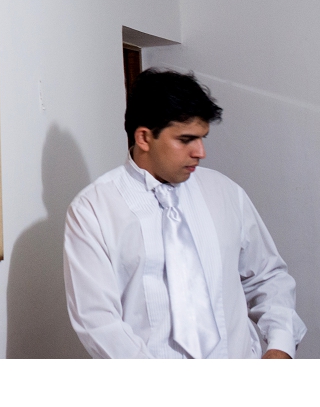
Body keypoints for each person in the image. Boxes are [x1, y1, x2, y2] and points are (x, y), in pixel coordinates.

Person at [63, 68, 306, 358]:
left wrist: (280, 346)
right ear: (144, 137)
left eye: (202, 138)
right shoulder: (93, 210)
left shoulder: (226, 193)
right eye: (186, 139)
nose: (200, 152)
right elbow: (98, 322)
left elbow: (267, 277)